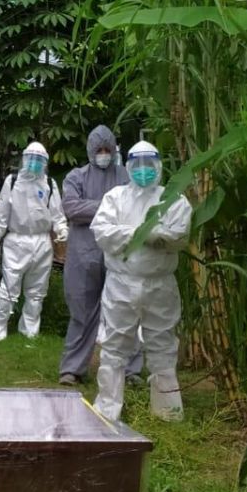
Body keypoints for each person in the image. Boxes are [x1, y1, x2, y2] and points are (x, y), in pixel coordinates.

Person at [91, 140, 192, 422]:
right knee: (114, 344)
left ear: (159, 166)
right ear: (129, 166)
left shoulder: (173, 199)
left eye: (150, 164)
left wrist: (135, 235)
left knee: (163, 343)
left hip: (160, 283)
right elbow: (103, 233)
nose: (144, 170)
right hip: (121, 283)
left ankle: (168, 410)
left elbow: (178, 236)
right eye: (138, 165)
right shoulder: (115, 197)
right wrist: (147, 232)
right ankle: (107, 409)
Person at [58, 126, 144, 386]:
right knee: (81, 312)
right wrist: (111, 207)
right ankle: (72, 369)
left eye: (108, 149)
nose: (104, 154)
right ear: (91, 150)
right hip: (83, 256)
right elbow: (72, 208)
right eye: (99, 150)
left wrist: (94, 208)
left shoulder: (126, 175)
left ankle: (130, 371)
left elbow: (135, 207)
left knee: (125, 312)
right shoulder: (77, 176)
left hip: (119, 253)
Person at [0, 142, 68, 341]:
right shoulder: (13, 182)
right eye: (32, 158)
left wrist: (61, 228)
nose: (35, 163)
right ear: (24, 159)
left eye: (40, 160)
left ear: (44, 162)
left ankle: (29, 331)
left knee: (37, 290)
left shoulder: (50, 184)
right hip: (16, 240)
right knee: (9, 287)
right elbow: (2, 211)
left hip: (42, 241)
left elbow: (57, 212)